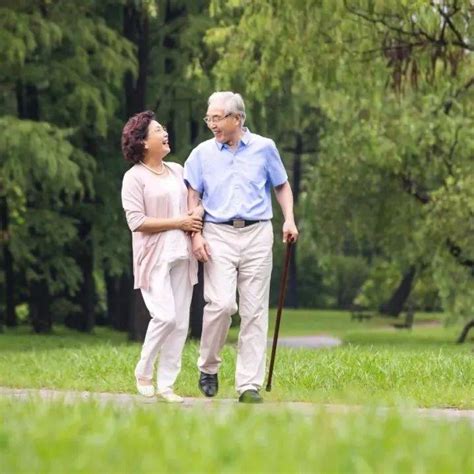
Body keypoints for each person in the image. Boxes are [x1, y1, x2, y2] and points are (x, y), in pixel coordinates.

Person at [184, 92, 299, 403]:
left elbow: (281, 185)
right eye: (209, 118)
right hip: (217, 233)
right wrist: (195, 235)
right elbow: (192, 196)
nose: (211, 124)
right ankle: (208, 366)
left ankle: (249, 385)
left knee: (254, 312)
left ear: (237, 119)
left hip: (258, 233)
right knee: (221, 305)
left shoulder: (265, 148)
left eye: (217, 118)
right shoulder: (201, 154)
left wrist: (288, 219)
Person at [121, 110, 202, 403]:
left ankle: (167, 385)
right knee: (165, 316)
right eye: (158, 131)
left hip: (182, 253)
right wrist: (179, 222)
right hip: (152, 257)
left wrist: (195, 216)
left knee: (180, 323)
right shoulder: (134, 178)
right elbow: (136, 222)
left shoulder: (179, 170)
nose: (165, 133)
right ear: (143, 142)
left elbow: (197, 202)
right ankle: (144, 369)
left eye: (164, 128)